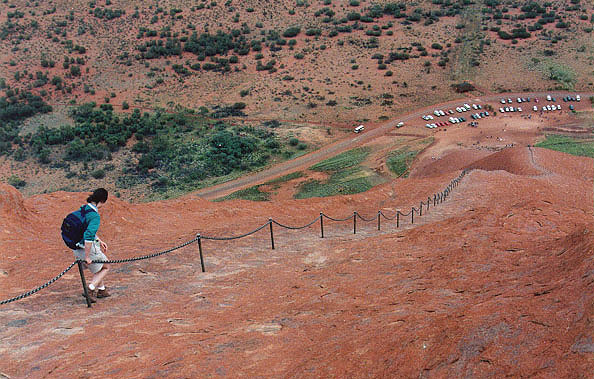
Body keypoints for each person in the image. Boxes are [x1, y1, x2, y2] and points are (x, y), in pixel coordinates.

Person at [73, 188, 111, 302]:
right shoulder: (94, 216)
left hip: (76, 246)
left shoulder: (84, 209)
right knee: (106, 266)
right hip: (85, 247)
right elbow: (88, 237)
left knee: (98, 267)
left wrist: (99, 240)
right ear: (102, 200)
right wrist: (87, 256)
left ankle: (102, 290)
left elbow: (86, 229)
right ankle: (90, 289)